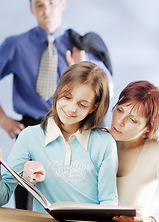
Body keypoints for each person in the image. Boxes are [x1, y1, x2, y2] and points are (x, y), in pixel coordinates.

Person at [0, 0, 113, 209]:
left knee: (75, 188)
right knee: (25, 195)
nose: (46, 9)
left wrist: (83, 65)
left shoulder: (81, 46)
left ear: (62, 4)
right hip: (33, 126)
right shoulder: (15, 45)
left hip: (76, 129)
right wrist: (3, 118)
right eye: (39, 4)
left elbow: (106, 87)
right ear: (31, 8)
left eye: (51, 3)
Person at [0, 61, 118, 213]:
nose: (71, 108)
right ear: (58, 90)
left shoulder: (104, 143)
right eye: (67, 97)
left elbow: (109, 202)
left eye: (82, 104)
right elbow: (3, 197)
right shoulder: (29, 136)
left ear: (93, 107)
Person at [108, 80, 159, 222]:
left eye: (132, 120)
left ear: (148, 128)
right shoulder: (100, 138)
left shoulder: (157, 152)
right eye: (119, 110)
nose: (119, 122)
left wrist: (146, 220)